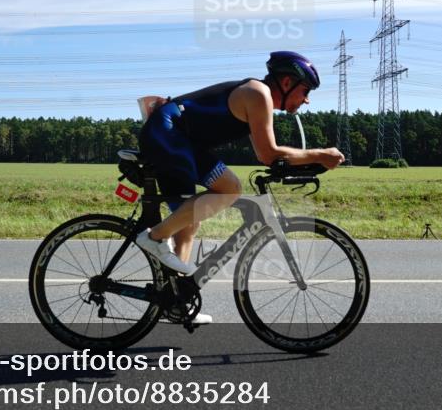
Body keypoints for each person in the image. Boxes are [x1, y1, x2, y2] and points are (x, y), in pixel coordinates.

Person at [135, 51, 345, 323]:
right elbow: (268, 154)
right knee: (230, 189)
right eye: (305, 90)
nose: (306, 100)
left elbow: (266, 153)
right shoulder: (258, 95)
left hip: (176, 137)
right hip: (168, 133)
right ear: (286, 82)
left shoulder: (259, 97)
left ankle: (176, 299)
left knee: (188, 220)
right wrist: (319, 154)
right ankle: (153, 238)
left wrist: (305, 164)